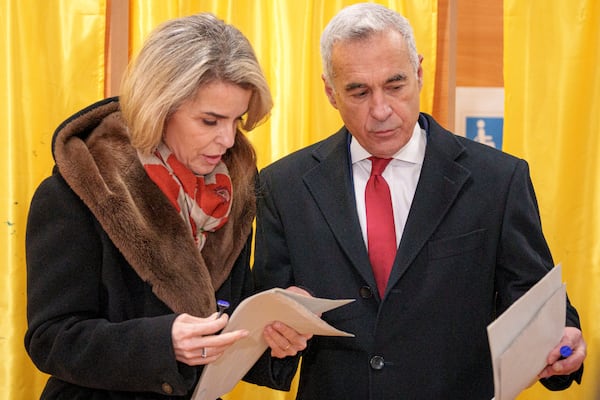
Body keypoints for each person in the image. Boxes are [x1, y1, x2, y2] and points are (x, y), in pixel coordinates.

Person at [252, 3, 586, 399]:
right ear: (330, 92)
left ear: (420, 73)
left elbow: (536, 302)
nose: (381, 110)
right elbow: (264, 330)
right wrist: (276, 331)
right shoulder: (284, 186)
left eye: (395, 86)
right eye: (358, 92)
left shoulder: (497, 180)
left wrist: (564, 339)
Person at [24, 13, 310, 399]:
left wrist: (272, 333)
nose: (228, 139)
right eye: (210, 121)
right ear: (159, 107)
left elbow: (223, 323)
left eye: (237, 120)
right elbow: (50, 338)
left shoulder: (234, 193)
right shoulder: (77, 192)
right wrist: (161, 343)